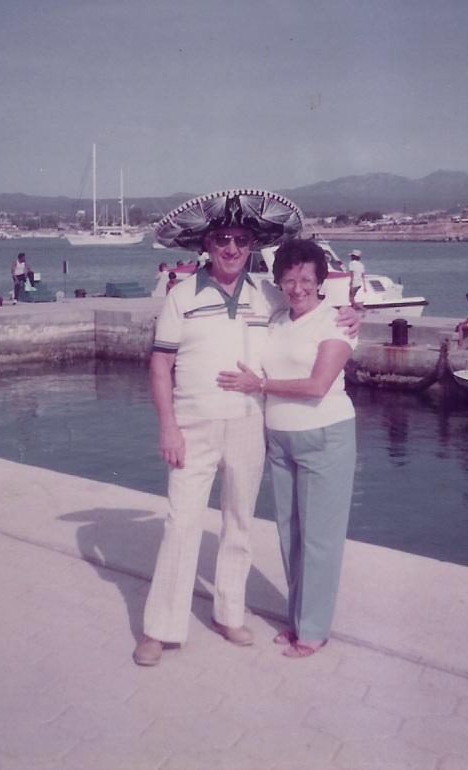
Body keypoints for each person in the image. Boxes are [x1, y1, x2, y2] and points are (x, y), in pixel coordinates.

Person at [132, 189, 358, 667]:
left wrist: (350, 314)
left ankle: (229, 614)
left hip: (251, 425)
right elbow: (160, 366)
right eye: (222, 239)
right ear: (207, 244)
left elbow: (310, 306)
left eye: (240, 240)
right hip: (193, 425)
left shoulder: (267, 295)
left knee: (239, 524)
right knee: (182, 523)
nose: (232, 248)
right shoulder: (180, 296)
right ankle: (160, 628)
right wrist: (168, 427)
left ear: (252, 245)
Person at [216, 239, 357, 659]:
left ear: (321, 281)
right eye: (290, 280)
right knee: (290, 536)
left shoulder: (334, 323)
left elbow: (317, 385)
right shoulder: (278, 318)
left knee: (319, 539)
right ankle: (297, 619)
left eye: (307, 280)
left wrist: (259, 385)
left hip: (323, 436)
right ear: (279, 281)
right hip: (279, 439)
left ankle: (313, 630)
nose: (297, 288)